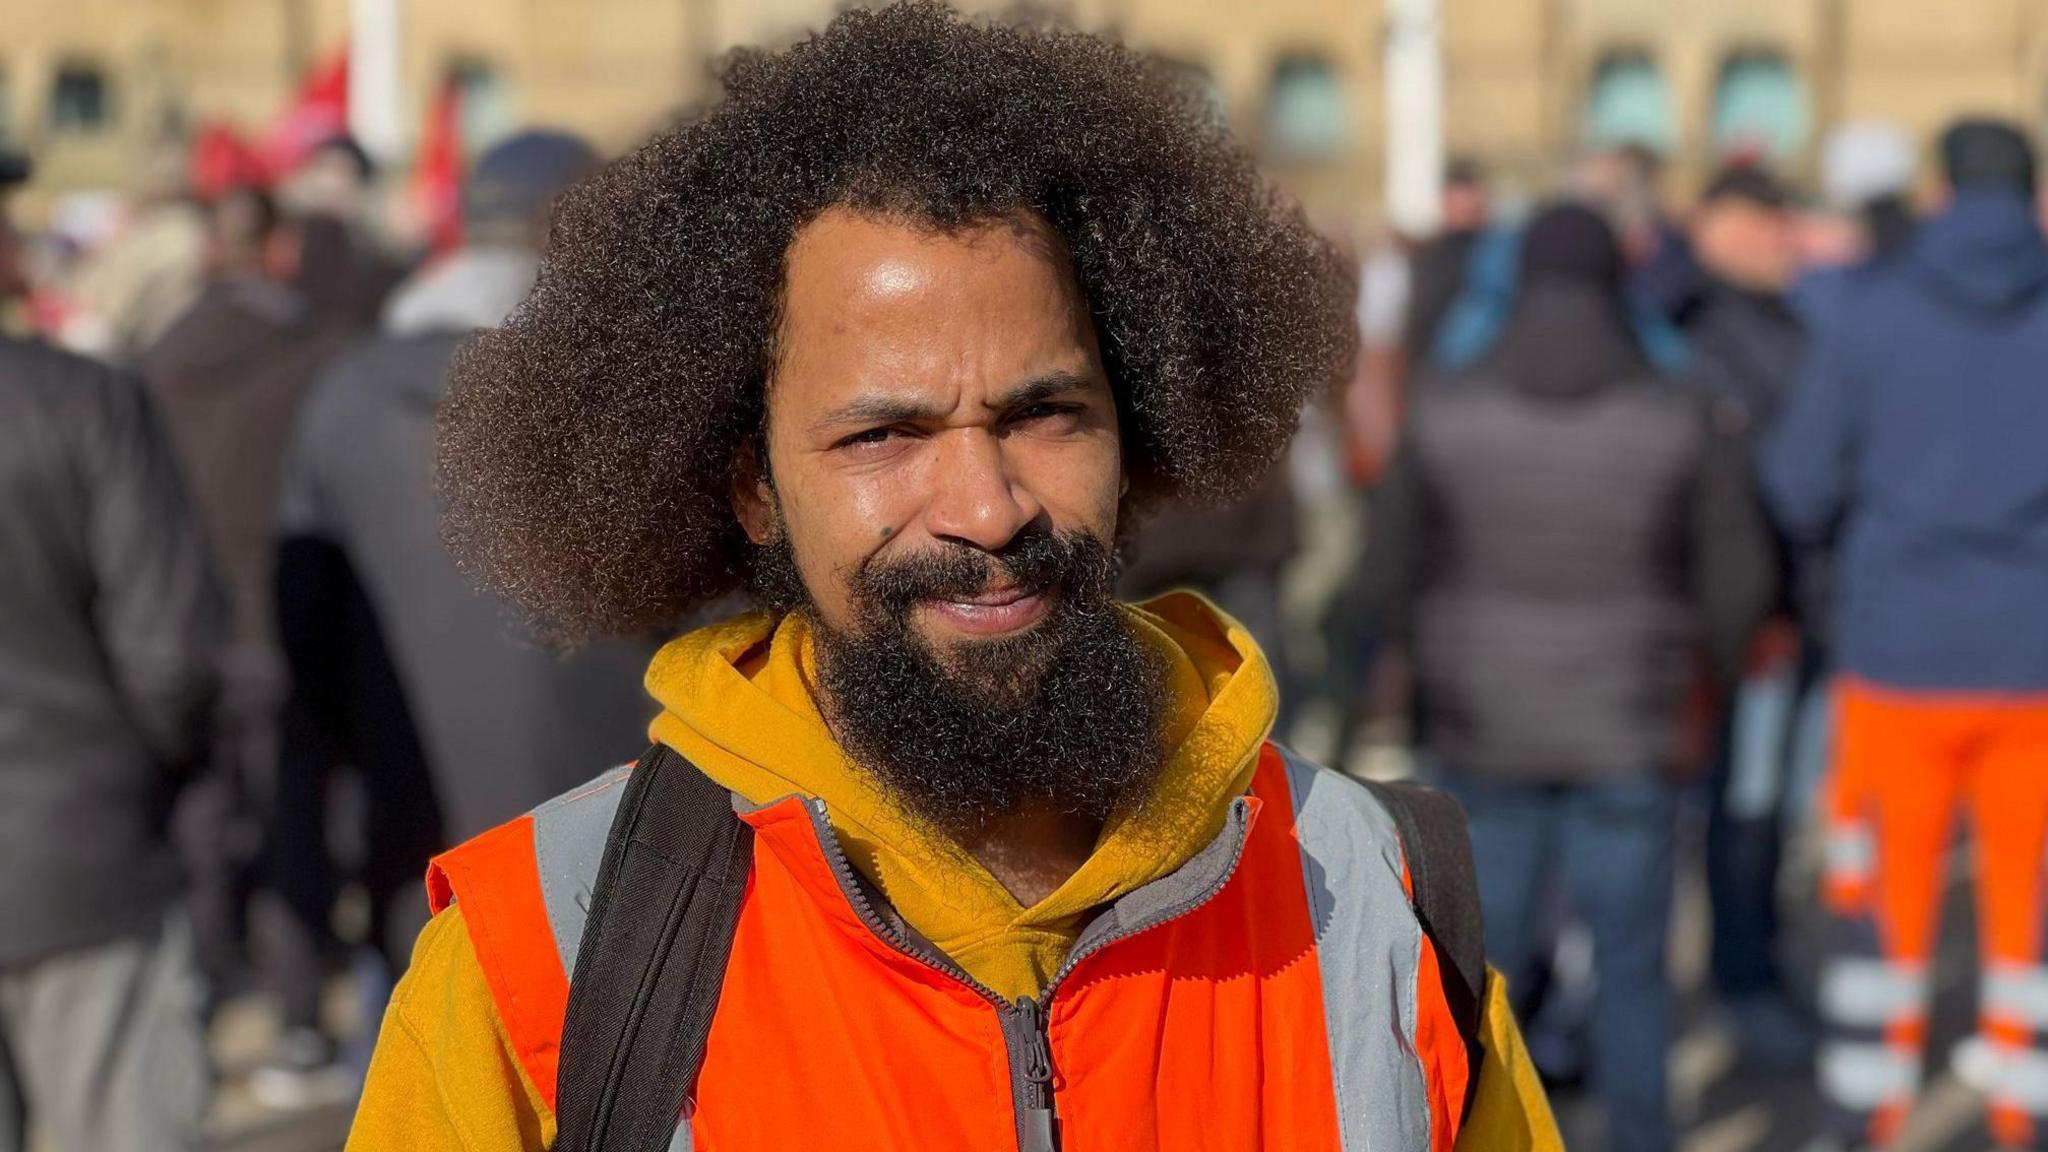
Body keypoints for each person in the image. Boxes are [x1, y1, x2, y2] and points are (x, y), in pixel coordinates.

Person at [347, 7, 1561, 1149]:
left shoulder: (1378, 900)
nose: (985, 508)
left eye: (1045, 414)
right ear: (751, 486)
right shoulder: (539, 959)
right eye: (882, 437)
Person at [1363, 203, 1776, 1152]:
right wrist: (1700, 680)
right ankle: (1640, 1134)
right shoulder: (1679, 412)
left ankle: (1472, 1133)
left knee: (1476, 965)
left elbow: (1388, 570)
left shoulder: (1449, 403)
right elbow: (1737, 578)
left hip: (1479, 724)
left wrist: (1421, 670)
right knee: (1632, 965)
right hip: (1630, 725)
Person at [1763, 118, 2048, 1151]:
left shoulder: (1868, 315)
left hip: (1894, 655)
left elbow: (1797, 482)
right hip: (2034, 659)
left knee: (1881, 900)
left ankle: (1865, 1105)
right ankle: (2026, 1097)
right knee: (2030, 896)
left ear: (1934, 188)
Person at [0, 147, 223, 1152]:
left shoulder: (80, 399)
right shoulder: (81, 400)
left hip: (74, 842)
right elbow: (171, 652)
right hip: (79, 851)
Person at [139, 185, 360, 1006]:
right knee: (293, 814)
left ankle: (205, 982)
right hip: (286, 619)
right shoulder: (317, 352)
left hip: (188, 621)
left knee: (204, 813)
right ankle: (297, 1010)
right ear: (276, 249)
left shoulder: (155, 359)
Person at [1677, 163, 1822, 1070]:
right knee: (1745, 808)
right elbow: (1744, 490)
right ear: (1717, 225)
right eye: (1766, 220)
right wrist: (1757, 608)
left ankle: (1756, 961)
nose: (1785, 236)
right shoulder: (1704, 332)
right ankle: (1745, 978)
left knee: (1765, 807)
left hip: (1784, 610)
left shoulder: (1783, 324)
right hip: (1746, 621)